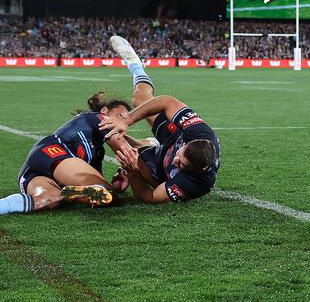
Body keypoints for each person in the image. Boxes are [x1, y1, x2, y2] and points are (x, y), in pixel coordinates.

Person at [98, 35, 220, 204]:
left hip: (160, 174)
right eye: (180, 155)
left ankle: (147, 147)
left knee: (116, 140)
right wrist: (126, 120)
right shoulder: (199, 132)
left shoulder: (197, 184)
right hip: (173, 137)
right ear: (188, 143)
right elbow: (166, 102)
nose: (177, 160)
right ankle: (135, 63)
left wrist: (132, 172)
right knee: (140, 99)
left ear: (199, 170)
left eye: (182, 165)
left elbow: (150, 196)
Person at [0, 93, 132, 215]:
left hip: (32, 170)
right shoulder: (98, 118)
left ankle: (4, 205)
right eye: (121, 116)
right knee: (109, 194)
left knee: (48, 200)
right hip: (57, 150)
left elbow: (96, 189)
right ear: (104, 110)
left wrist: (116, 186)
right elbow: (126, 150)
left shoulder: (98, 152)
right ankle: (72, 194)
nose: (124, 122)